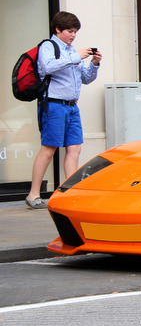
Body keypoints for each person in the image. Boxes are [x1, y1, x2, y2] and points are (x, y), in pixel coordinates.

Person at [26, 11, 102, 209]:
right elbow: (48, 67)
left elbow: (85, 78)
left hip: (71, 106)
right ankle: (33, 194)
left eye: (75, 31)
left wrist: (94, 64)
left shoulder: (71, 50)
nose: (73, 35)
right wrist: (76, 56)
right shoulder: (48, 47)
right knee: (49, 149)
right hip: (53, 105)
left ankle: (71, 193)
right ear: (58, 29)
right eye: (70, 31)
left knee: (74, 148)